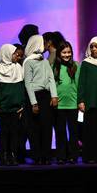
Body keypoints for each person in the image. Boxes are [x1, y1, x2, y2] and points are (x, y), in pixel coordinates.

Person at [22, 33, 57, 165]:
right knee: (34, 128)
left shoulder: (44, 61)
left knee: (46, 127)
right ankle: (37, 156)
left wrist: (54, 95)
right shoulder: (28, 62)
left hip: (45, 96)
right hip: (34, 97)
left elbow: (51, 79)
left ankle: (46, 156)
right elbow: (28, 83)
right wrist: (34, 103)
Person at [53, 39, 80, 163]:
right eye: (64, 52)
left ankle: (73, 155)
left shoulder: (76, 65)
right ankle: (61, 156)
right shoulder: (54, 66)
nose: (66, 55)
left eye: (69, 52)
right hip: (59, 106)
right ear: (59, 53)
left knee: (74, 132)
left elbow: (79, 85)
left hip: (73, 105)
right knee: (60, 132)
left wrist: (81, 101)